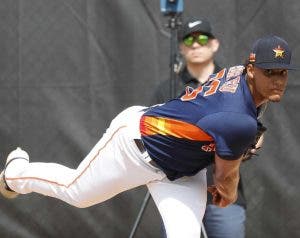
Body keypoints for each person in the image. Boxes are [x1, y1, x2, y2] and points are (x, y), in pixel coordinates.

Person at [0, 35, 294, 238]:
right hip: (136, 146)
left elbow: (230, 122)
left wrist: (245, 137)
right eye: (270, 71)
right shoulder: (237, 118)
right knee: (76, 193)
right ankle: (15, 173)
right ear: (252, 69)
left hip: (182, 172)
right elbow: (226, 182)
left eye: (283, 72)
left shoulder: (239, 76)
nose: (278, 80)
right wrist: (228, 192)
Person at [153, 17, 246, 238]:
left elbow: (254, 134)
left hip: (221, 189)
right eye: (188, 40)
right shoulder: (168, 89)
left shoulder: (237, 84)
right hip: (179, 189)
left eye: (202, 38)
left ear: (214, 44)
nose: (195, 44)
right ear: (181, 49)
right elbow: (154, 135)